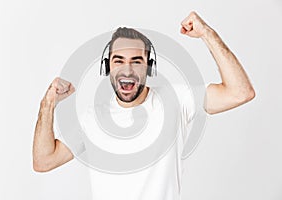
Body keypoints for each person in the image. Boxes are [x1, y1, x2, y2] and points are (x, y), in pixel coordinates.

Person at [33, 11, 255, 199]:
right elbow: (43, 161)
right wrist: (48, 103)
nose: (127, 70)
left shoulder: (177, 100)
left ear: (148, 68)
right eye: (118, 60)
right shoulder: (93, 118)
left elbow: (240, 92)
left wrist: (207, 33)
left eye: (136, 61)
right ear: (107, 66)